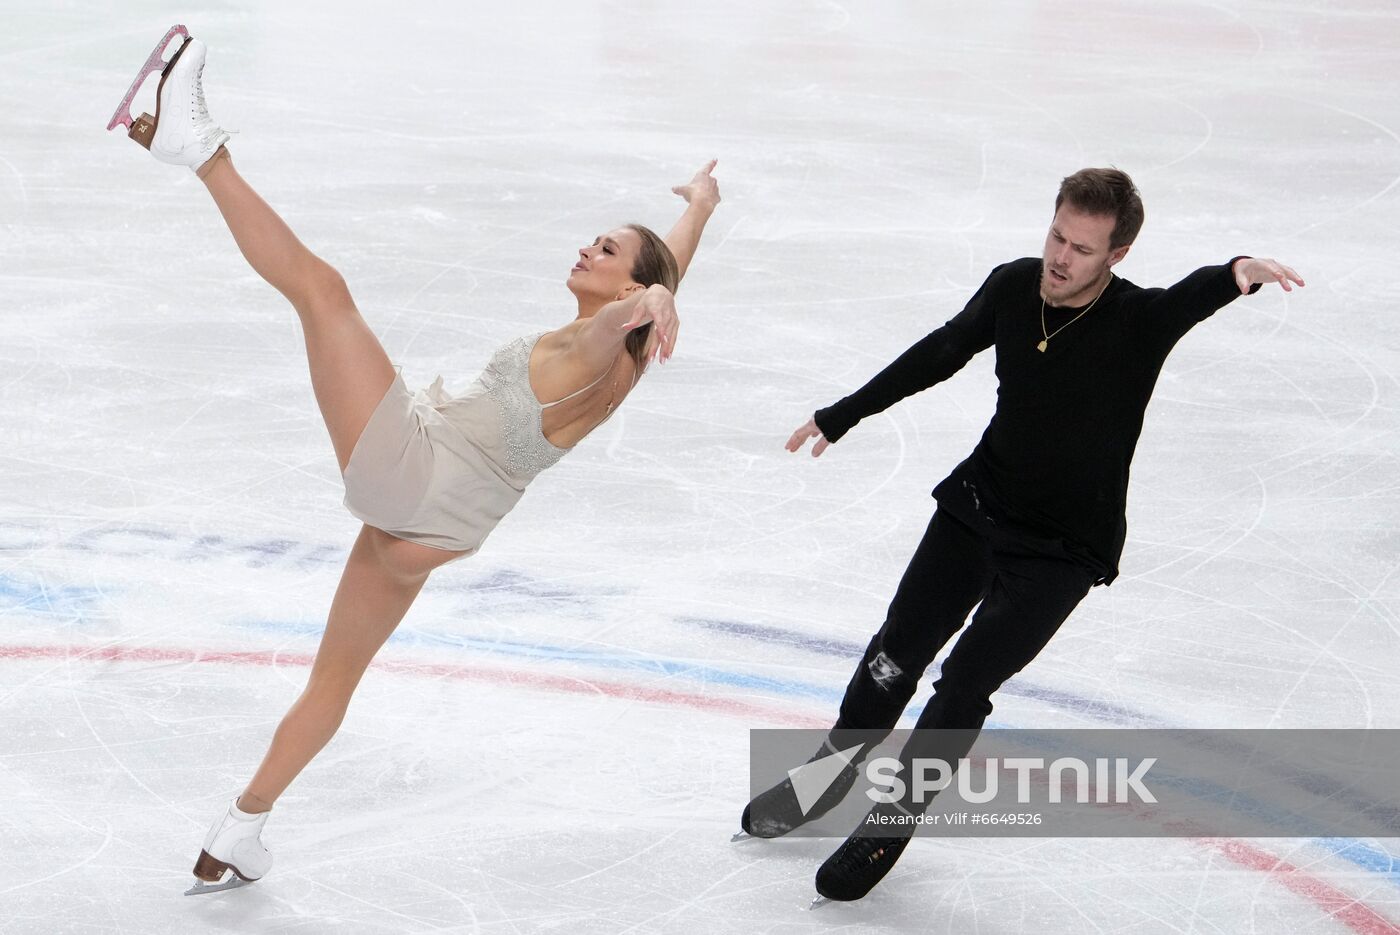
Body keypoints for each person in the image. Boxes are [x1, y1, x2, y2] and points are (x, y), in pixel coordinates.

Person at [107, 29, 721, 894]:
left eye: (607, 251)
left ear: (624, 293)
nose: (588, 248)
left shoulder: (599, 340)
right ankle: (239, 830)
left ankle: (198, 148)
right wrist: (701, 204)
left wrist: (653, 292)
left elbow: (641, 301)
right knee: (334, 681)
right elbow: (664, 278)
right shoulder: (625, 356)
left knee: (323, 292)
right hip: (438, 528)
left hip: (420, 472)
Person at [740, 167, 1303, 902]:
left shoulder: (1137, 322)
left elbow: (1195, 293)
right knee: (896, 648)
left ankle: (890, 820)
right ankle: (828, 769)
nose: (1060, 259)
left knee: (965, 682)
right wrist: (844, 413)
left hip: (1063, 549)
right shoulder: (1014, 287)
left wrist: (1241, 274)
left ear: (1117, 256)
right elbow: (940, 351)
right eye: (1056, 236)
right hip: (981, 501)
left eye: (1083, 249)